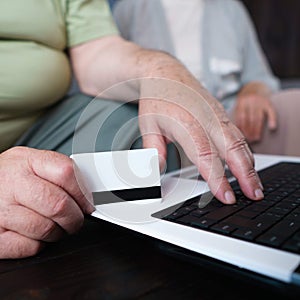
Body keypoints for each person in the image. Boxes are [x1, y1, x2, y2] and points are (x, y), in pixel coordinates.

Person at [0, 0, 264, 259]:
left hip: (42, 123)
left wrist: (159, 70)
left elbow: (95, 50)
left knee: (134, 126)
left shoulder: (230, 9)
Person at [111, 0, 300, 162]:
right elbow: (113, 79)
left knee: (294, 104)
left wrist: (252, 92)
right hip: (169, 126)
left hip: (229, 116)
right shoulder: (130, 9)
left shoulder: (231, 9)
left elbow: (259, 76)